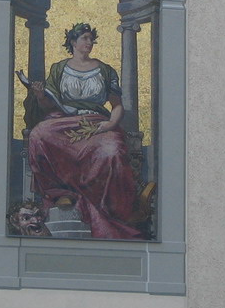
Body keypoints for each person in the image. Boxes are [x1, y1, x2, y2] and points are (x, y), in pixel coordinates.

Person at [20, 22, 143, 239]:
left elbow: (117, 105)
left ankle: (108, 211)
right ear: (73, 42)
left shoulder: (105, 70)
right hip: (64, 121)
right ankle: (61, 194)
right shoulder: (59, 68)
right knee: (40, 134)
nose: (89, 42)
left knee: (112, 151)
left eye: (90, 38)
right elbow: (50, 105)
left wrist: (110, 125)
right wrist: (39, 95)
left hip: (97, 122)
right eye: (85, 38)